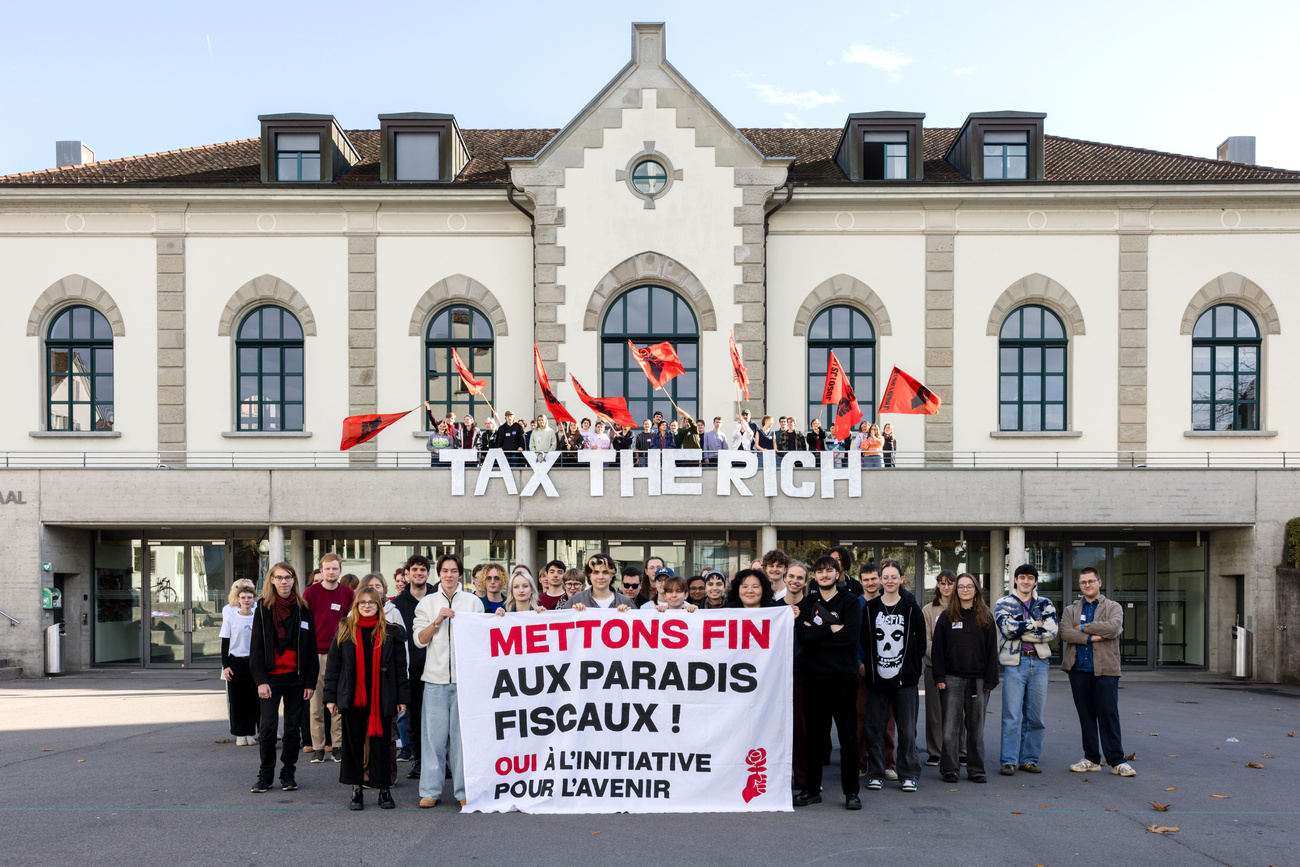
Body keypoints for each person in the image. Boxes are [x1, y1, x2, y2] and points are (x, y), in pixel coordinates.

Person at [324, 588, 410, 810]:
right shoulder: (345, 629)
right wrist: (330, 698)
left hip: (382, 696)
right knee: (353, 745)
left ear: (379, 606)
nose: (367, 606)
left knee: (381, 745)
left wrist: (402, 697)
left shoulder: (391, 632)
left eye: (372, 602)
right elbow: (334, 666)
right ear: (356, 605)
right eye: (362, 602)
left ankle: (384, 790)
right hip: (353, 696)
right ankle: (356, 790)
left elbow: (401, 668)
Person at [412, 553, 482, 809]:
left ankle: (464, 790)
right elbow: (419, 640)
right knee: (433, 739)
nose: (450, 575)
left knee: (463, 741)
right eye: (445, 571)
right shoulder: (426, 603)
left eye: (454, 571)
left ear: (460, 575)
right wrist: (437, 621)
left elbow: (482, 638)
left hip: (465, 683)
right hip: (435, 682)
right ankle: (431, 790)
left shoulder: (473, 602)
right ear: (438, 574)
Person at [794, 556, 862, 810]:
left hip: (843, 679)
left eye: (829, 570)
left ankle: (851, 792)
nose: (824, 575)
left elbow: (850, 636)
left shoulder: (850, 601)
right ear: (815, 575)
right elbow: (804, 635)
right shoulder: (807, 603)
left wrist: (819, 633)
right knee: (813, 738)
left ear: (837, 573)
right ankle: (811, 790)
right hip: (814, 679)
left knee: (848, 738)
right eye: (820, 571)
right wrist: (832, 628)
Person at [248, 562, 318, 794]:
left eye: (288, 577)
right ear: (272, 581)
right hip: (270, 678)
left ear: (294, 580)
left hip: (297, 678)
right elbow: (256, 647)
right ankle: (265, 775)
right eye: (279, 577)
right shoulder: (263, 608)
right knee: (267, 728)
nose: (284, 582)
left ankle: (288, 773)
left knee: (292, 730)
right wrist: (260, 680)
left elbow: (311, 646)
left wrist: (310, 681)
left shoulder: (303, 608)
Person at [1060, 566, 1134, 777]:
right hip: (1079, 669)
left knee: (1108, 715)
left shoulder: (1113, 607)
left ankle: (1116, 760)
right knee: (1086, 715)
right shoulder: (1070, 610)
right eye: (1083, 582)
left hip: (1106, 670)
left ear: (1099, 583)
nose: (1087, 585)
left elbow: (1113, 628)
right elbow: (1065, 632)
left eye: (1091, 581)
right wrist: (1093, 636)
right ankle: (1091, 758)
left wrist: (1082, 628)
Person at [862, 559, 925, 793]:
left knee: (907, 730)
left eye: (893, 577)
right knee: (874, 728)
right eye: (885, 577)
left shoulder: (910, 608)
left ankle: (908, 774)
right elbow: (864, 640)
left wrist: (910, 668)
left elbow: (920, 643)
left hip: (905, 680)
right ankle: (876, 773)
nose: (889, 581)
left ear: (901, 579)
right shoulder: (869, 609)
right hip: (877, 679)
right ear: (880, 580)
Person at [932, 573, 999, 783]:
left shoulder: (986, 616)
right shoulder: (946, 617)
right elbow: (937, 650)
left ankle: (976, 770)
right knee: (950, 730)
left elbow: (991, 651)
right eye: (961, 587)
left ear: (976, 589)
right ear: (956, 590)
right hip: (951, 679)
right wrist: (939, 676)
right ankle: (949, 769)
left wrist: (991, 680)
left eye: (969, 586)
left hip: (978, 681)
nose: (965, 590)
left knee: (976, 730)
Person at [995, 564, 1059, 776]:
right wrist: (1035, 624)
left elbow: (1051, 632)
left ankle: (1029, 759)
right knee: (1011, 715)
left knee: (1035, 717)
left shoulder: (1045, 603)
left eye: (1030, 578)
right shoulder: (1003, 603)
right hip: (1015, 663)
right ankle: (1008, 761)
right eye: (1021, 577)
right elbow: (1006, 629)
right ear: (1015, 580)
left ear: (1035, 581)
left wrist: (1022, 626)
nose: (1025, 581)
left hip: (1039, 663)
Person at [303, 553, 354, 764]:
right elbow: (303, 624)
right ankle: (318, 747)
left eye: (334, 569)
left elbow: (353, 622)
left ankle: (338, 746)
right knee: (316, 705)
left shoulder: (348, 593)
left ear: (340, 570)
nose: (331, 572)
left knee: (338, 704)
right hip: (316, 655)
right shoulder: (311, 593)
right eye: (327, 569)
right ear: (321, 571)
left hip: (340, 655)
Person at [391, 555, 432, 778]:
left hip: (438, 669)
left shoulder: (440, 599)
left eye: (423, 569)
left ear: (428, 573)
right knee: (414, 719)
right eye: (414, 569)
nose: (419, 573)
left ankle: (441, 762)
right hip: (411, 670)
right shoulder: (397, 605)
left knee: (438, 719)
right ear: (407, 574)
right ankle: (418, 761)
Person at [366, 572, 409, 773]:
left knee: (389, 732)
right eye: (371, 585)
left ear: (384, 589)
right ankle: (366, 773)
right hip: (364, 683)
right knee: (365, 735)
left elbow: (403, 651)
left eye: (379, 585)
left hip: (387, 682)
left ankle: (388, 774)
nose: (375, 589)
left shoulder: (394, 613)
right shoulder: (354, 613)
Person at [922, 570, 958, 768]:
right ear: (937, 585)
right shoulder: (928, 610)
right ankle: (935, 752)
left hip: (958, 669)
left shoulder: (963, 608)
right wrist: (938, 660)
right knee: (935, 712)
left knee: (957, 710)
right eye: (942, 583)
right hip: (933, 667)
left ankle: (959, 750)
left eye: (950, 583)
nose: (946, 587)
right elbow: (925, 640)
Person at [220, 579, 259, 746]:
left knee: (252, 698)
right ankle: (239, 733)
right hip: (235, 661)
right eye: (243, 597)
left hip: (253, 660)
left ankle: (251, 732)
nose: (246, 600)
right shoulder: (231, 617)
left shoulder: (257, 617)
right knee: (237, 700)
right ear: (238, 599)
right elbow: (225, 642)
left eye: (249, 597)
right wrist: (226, 666)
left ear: (253, 599)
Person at [784, 561, 809, 791]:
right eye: (791, 576)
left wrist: (800, 620)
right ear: (784, 579)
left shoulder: (812, 606)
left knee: (802, 731)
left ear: (804, 582)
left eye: (799, 577)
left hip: (803, 675)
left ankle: (803, 779)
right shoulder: (772, 608)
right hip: (775, 677)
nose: (794, 580)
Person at [560, 554, 634, 611]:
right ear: (589, 576)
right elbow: (561, 625)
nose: (600, 577)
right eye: (596, 572)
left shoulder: (625, 602)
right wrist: (573, 614)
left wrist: (629, 615)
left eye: (605, 572)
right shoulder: (576, 600)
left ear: (612, 575)